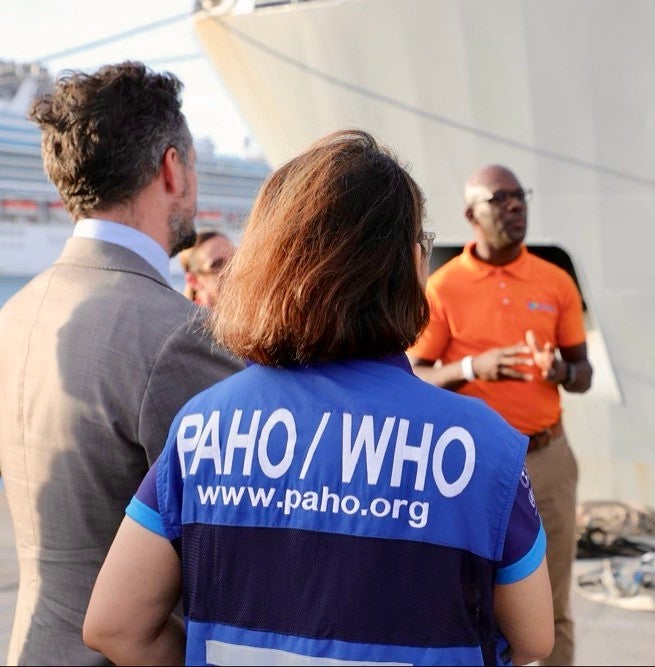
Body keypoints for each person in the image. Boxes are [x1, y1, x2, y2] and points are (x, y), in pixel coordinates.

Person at [83, 129, 554, 666]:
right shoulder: (483, 445)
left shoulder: (201, 428)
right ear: (410, 265)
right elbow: (535, 639)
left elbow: (115, 625)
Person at [0, 61, 243, 665]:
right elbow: (238, 547)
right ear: (170, 168)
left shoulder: (18, 312)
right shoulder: (178, 337)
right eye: (191, 165)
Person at [407, 164, 593, 666]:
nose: (515, 205)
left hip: (546, 458)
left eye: (520, 196)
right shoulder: (443, 288)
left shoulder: (555, 282)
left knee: (551, 611)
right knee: (469, 605)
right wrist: (472, 367)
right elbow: (414, 373)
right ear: (471, 214)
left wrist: (560, 370)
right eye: (500, 198)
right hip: (471, 467)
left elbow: (584, 372)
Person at [177, 228, 235, 308]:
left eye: (236, 259)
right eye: (218, 264)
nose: (232, 268)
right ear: (194, 280)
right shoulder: (185, 318)